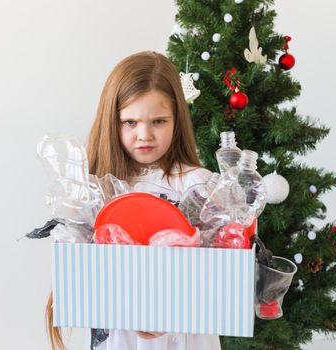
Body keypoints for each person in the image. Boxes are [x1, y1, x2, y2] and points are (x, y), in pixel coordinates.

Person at [45, 51, 220, 350]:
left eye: (159, 121)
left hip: (181, 338)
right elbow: (79, 278)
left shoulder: (200, 186)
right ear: (111, 121)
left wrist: (170, 313)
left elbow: (218, 281)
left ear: (178, 120)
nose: (145, 135)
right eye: (130, 122)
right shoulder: (94, 191)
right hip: (119, 338)